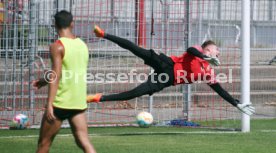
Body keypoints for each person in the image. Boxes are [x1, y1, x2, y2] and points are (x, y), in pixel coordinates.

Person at [87, 25, 255, 116]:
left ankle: (98, 98)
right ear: (208, 49)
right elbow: (191, 50)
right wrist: (205, 57)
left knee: (134, 93)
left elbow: (220, 90)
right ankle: (103, 34)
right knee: (136, 49)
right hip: (166, 63)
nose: (219, 51)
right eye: (217, 49)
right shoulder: (198, 51)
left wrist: (236, 103)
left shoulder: (208, 72)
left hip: (166, 80)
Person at [33, 10, 97, 153]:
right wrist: (44, 80)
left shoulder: (57, 46)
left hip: (60, 103)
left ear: (54, 25)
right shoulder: (82, 44)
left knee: (43, 144)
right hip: (78, 102)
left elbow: (56, 75)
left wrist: (49, 104)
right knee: (84, 143)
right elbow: (68, 71)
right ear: (72, 24)